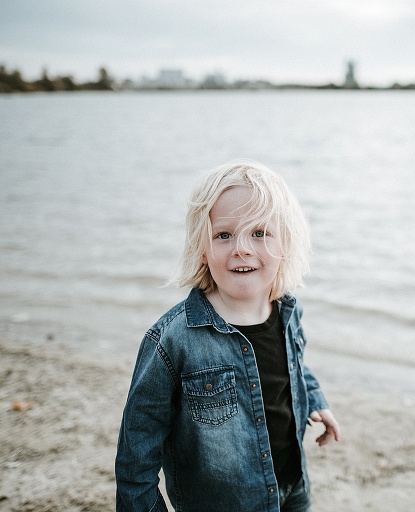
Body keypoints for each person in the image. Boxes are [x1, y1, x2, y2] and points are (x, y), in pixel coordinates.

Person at [115, 161, 340, 512]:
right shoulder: (172, 341)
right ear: (202, 247)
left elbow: (293, 367)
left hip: (291, 486)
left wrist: (316, 400)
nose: (242, 248)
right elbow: (136, 453)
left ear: (286, 243)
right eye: (224, 235)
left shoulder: (287, 312)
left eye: (260, 233)